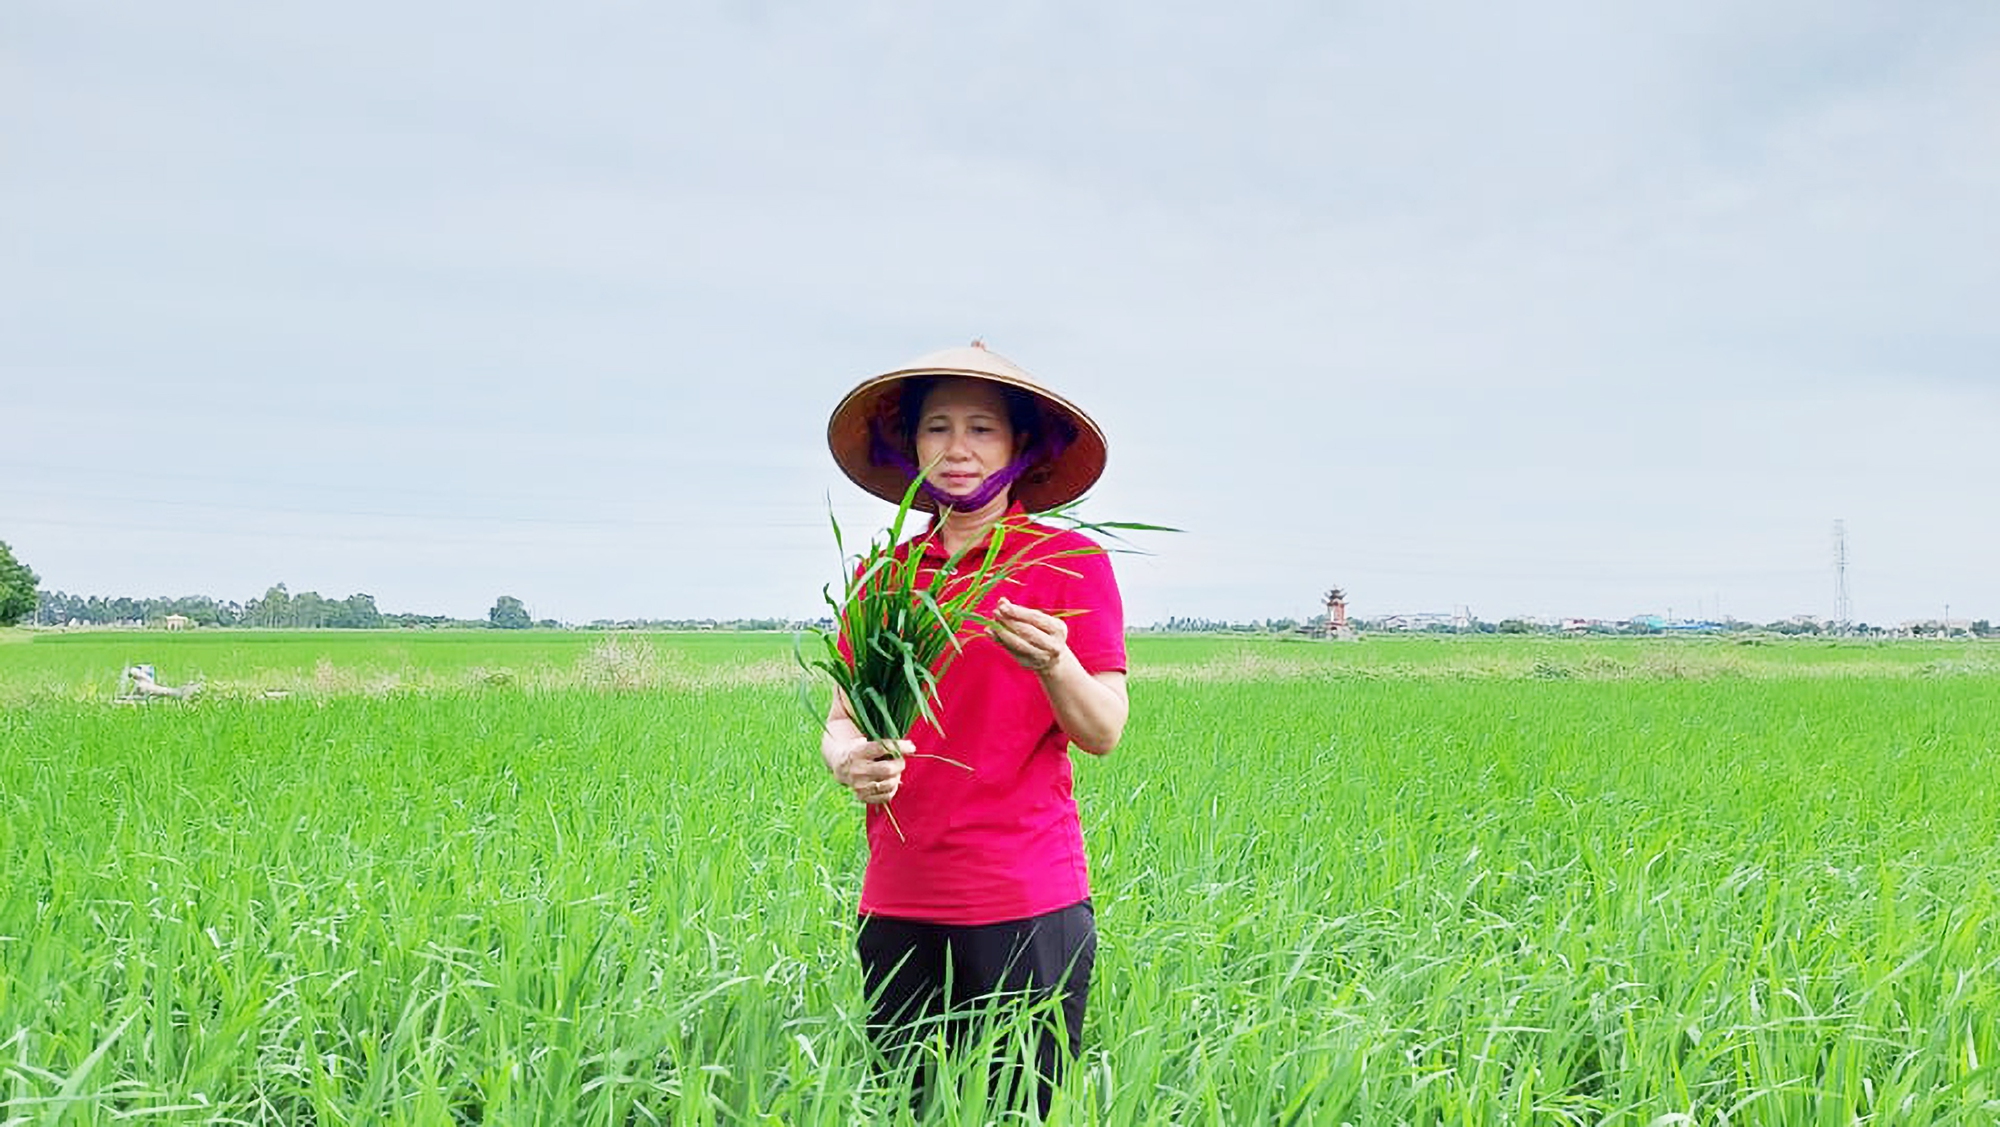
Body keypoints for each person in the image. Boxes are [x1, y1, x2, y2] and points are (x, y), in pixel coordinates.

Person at [821, 342, 1129, 1114]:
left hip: (1026, 896)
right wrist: (849, 760)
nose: (957, 449)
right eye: (938, 427)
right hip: (897, 894)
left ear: (1021, 446)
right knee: (909, 1106)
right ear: (911, 444)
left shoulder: (1067, 563)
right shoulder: (883, 576)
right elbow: (839, 722)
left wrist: (1057, 663)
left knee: (1018, 1108)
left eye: (983, 428)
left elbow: (1104, 728)